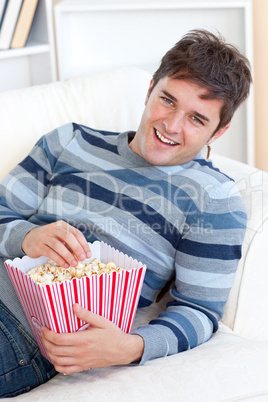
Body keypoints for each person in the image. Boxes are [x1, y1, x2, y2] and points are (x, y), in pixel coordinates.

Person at [0, 29, 252, 397]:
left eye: (197, 119)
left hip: (25, 333)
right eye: (167, 100)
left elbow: (199, 311)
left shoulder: (214, 199)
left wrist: (132, 347)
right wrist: (27, 236)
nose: (171, 125)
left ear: (220, 131)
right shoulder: (70, 141)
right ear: (150, 89)